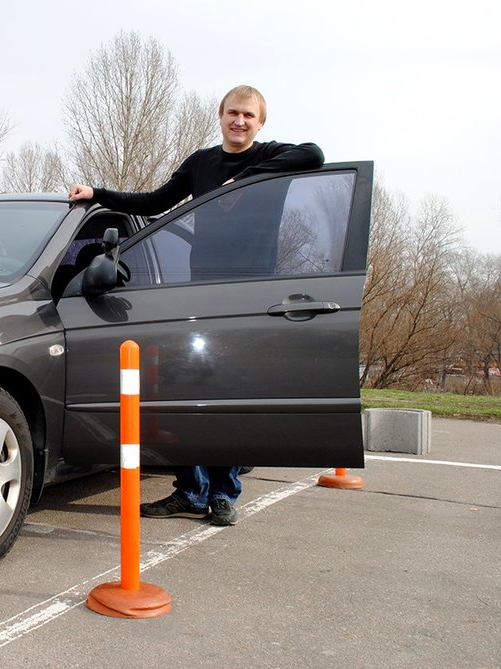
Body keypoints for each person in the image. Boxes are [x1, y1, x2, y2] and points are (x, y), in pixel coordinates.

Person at [68, 84, 324, 526]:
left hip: (248, 296)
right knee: (187, 392)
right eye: (232, 113)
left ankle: (224, 494)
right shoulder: (201, 162)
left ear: (260, 122)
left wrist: (244, 180)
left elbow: (315, 154)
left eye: (248, 115)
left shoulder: (272, 157)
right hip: (198, 290)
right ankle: (189, 490)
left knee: (231, 397)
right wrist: (99, 193)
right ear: (220, 115)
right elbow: (154, 203)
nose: (239, 121)